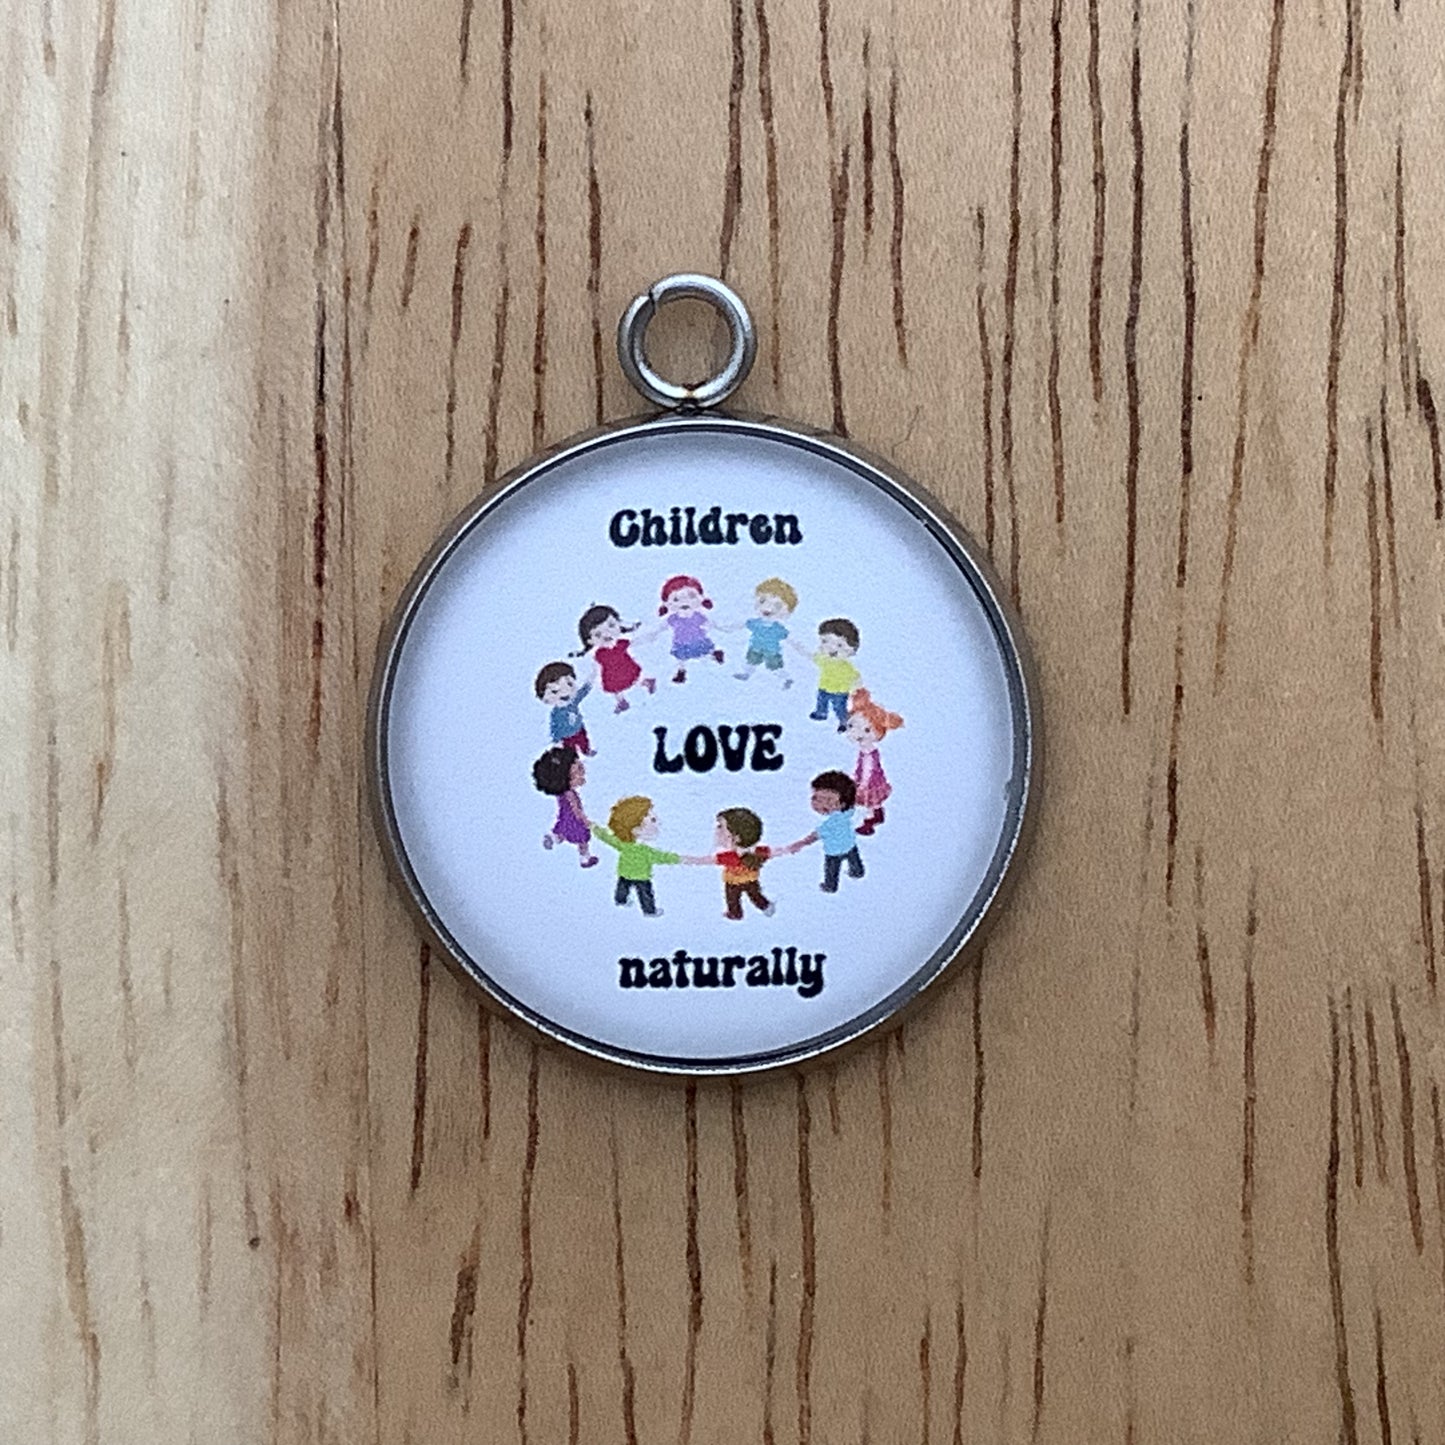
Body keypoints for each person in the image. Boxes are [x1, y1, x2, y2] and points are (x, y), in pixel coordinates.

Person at [591, 796, 690, 916]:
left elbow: (607, 838)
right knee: (645, 894)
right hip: (641, 876)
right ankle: (649, 911)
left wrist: (595, 828)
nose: (659, 823)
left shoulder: (624, 845)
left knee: (622, 888)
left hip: (624, 872)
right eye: (653, 820)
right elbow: (662, 857)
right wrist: (679, 859)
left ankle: (620, 901)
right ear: (635, 827)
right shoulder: (645, 851)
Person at [788, 770, 866, 892]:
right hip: (850, 845)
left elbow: (814, 837)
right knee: (854, 861)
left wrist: (800, 844)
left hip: (833, 852)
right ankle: (857, 872)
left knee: (832, 871)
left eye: (829, 800)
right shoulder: (849, 812)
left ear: (842, 803)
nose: (821, 804)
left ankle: (830, 886)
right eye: (816, 798)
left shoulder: (829, 824)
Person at [572, 603, 657, 713]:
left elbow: (636, 642)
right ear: (590, 640)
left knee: (635, 678)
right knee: (616, 689)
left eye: (611, 626)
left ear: (619, 624)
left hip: (626, 667)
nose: (606, 634)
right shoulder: (599, 653)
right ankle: (622, 702)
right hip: (612, 675)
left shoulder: (621, 644)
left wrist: (649, 638)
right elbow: (594, 667)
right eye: (598, 634)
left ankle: (647, 682)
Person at [845, 689, 903, 835]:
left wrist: (862, 784)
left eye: (866, 730)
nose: (856, 734)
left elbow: (868, 769)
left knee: (867, 802)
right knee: (874, 801)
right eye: (851, 726)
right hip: (873, 780)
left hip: (869, 782)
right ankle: (878, 814)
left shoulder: (868, 753)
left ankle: (869, 823)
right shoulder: (866, 750)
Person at [531, 745, 597, 867]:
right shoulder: (570, 794)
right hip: (574, 820)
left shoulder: (561, 793)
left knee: (562, 830)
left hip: (565, 817)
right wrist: (585, 820)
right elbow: (576, 809)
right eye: (579, 771)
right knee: (582, 839)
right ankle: (584, 859)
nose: (583, 774)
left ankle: (552, 837)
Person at [732, 577, 798, 688]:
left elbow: (792, 640)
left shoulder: (778, 629)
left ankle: (787, 679)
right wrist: (720, 627)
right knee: (751, 662)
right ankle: (746, 674)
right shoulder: (755, 623)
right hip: (755, 648)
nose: (768, 608)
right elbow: (737, 626)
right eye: (762, 601)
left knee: (775, 668)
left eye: (777, 606)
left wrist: (805, 652)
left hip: (772, 652)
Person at [797, 618, 861, 729]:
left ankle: (844, 721)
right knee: (821, 702)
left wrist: (856, 688)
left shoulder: (846, 666)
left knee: (839, 708)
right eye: (825, 641)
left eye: (840, 645)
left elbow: (855, 677)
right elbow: (811, 656)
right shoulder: (824, 659)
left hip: (840, 691)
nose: (831, 649)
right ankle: (821, 713)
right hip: (824, 687)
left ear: (852, 649)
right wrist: (799, 648)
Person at [534, 661, 595, 755]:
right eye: (555, 691)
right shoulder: (556, 713)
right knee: (570, 752)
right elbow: (555, 728)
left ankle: (586, 750)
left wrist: (590, 681)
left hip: (579, 729)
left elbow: (582, 692)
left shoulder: (573, 702)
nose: (565, 692)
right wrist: (556, 741)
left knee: (584, 741)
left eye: (570, 684)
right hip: (566, 737)